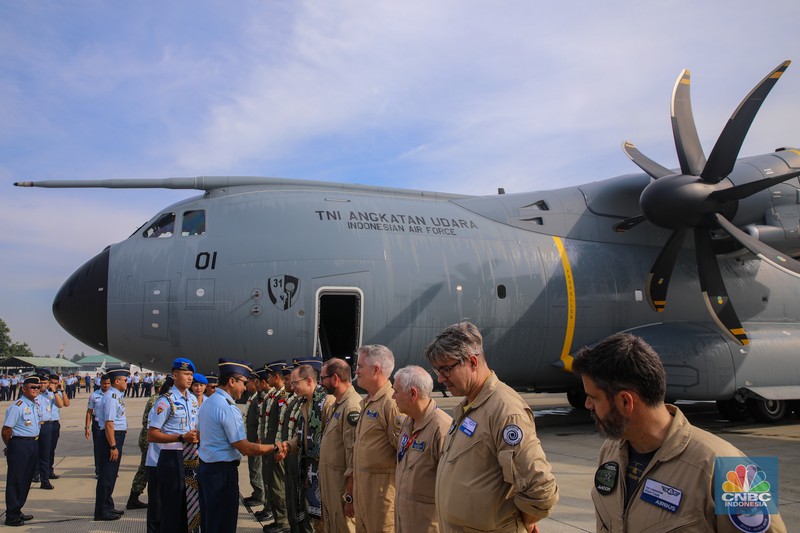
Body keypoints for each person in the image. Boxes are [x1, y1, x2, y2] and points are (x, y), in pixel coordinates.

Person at [572, 332, 787, 532]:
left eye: (594, 397)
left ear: (625, 402)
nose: (588, 404)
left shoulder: (728, 468)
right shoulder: (611, 453)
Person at [425, 322, 558, 533]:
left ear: (472, 362)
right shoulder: (470, 405)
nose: (440, 379)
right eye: (437, 371)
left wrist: (526, 521)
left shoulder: (505, 410)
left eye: (446, 369)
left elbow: (539, 488)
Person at [196, 358, 280, 533]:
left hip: (207, 470)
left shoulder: (208, 403)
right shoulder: (227, 408)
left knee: (210, 521)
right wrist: (276, 447)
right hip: (221, 474)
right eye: (243, 382)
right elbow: (245, 448)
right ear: (231, 381)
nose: (245, 387)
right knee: (223, 524)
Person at [351, 345, 405, 533]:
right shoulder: (368, 402)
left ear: (376, 369)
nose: (356, 371)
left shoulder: (391, 404)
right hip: (363, 496)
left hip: (382, 501)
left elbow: (405, 454)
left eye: (359, 366)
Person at [392, 365, 452, 532]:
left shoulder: (442, 429)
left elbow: (452, 488)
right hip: (404, 522)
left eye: (396, 391)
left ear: (412, 393)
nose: (392, 396)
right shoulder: (407, 422)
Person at [275, 359, 330, 532]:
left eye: (295, 383)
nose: (292, 386)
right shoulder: (305, 403)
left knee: (325, 520)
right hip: (309, 469)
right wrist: (287, 446)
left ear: (309, 381)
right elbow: (303, 437)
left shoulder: (327, 403)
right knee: (315, 519)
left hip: (324, 472)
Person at [148, 357, 200, 532]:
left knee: (191, 504)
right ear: (175, 375)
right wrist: (180, 437)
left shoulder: (193, 399)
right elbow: (152, 434)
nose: (190, 378)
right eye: (186, 374)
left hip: (191, 456)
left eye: (191, 374)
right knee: (172, 507)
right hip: (172, 457)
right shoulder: (165, 401)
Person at [318, 357, 361, 533]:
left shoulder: (351, 407)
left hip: (341, 488)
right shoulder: (337, 404)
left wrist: (349, 496)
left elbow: (353, 455)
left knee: (343, 527)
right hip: (331, 484)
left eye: (323, 378)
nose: (320, 383)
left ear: (335, 378)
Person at [2, 376, 41, 526]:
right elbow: (6, 430)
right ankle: (11, 515)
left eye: (37, 388)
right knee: (16, 480)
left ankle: (17, 510)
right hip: (20, 445)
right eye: (32, 387)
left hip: (32, 444)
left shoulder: (33, 405)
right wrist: (11, 446)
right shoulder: (17, 406)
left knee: (25, 479)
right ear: (23, 389)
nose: (36, 390)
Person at [94, 367, 130, 521]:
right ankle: (102, 511)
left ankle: (108, 505)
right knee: (107, 475)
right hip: (111, 437)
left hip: (116, 436)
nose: (127, 383)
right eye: (125, 380)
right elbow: (109, 423)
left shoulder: (116, 395)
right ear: (117, 381)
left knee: (111, 474)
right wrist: (113, 446)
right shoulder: (111, 397)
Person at [259, 362, 290, 532]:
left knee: (278, 484)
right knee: (271, 482)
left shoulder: (283, 396)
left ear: (276, 377)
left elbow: (283, 425)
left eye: (270, 376)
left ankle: (283, 521)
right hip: (270, 446)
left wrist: (281, 448)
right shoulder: (275, 396)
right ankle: (277, 517)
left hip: (277, 447)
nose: (268, 379)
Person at [34, 372, 64, 488]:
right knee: (35, 452)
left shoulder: (51, 395)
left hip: (47, 426)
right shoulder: (34, 395)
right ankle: (34, 474)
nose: (42, 385)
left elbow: (61, 404)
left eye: (45, 382)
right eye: (40, 382)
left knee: (46, 454)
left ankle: (45, 480)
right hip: (35, 425)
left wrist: (55, 391)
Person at [243, 370, 266, 510]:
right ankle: (256, 492)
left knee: (257, 468)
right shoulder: (254, 397)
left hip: (256, 440)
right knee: (253, 467)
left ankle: (260, 495)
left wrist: (259, 439)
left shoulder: (261, 398)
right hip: (251, 439)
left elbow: (262, 420)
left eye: (250, 382)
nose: (249, 385)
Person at [45, 374, 69, 482]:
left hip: (54, 423)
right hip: (44, 423)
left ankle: (49, 471)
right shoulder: (43, 393)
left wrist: (61, 390)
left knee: (51, 449)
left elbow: (65, 404)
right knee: (43, 450)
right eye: (52, 383)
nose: (53, 385)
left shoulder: (57, 393)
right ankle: (38, 472)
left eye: (56, 383)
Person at [86, 374, 111, 478]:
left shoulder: (114, 395)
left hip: (110, 424)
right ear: (100, 383)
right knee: (98, 448)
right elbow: (89, 412)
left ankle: (110, 469)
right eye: (104, 383)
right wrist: (86, 427)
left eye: (108, 383)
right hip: (97, 425)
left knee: (111, 446)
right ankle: (99, 470)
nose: (106, 385)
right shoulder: (94, 395)